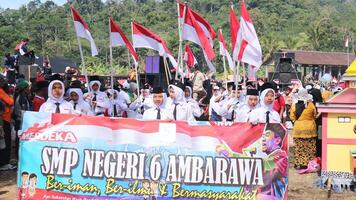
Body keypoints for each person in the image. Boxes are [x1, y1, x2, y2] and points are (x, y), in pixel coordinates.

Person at [290, 88, 317, 169]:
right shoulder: (311, 105)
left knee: (299, 146)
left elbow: (292, 117)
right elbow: (314, 115)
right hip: (310, 128)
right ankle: (308, 163)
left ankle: (299, 162)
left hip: (298, 128)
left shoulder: (294, 105)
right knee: (310, 147)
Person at [0, 75, 16, 170]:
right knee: (6, 141)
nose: (4, 82)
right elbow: (10, 102)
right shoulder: (1, 91)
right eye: (3, 80)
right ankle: (4, 163)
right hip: (4, 119)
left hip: (5, 118)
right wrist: (10, 95)